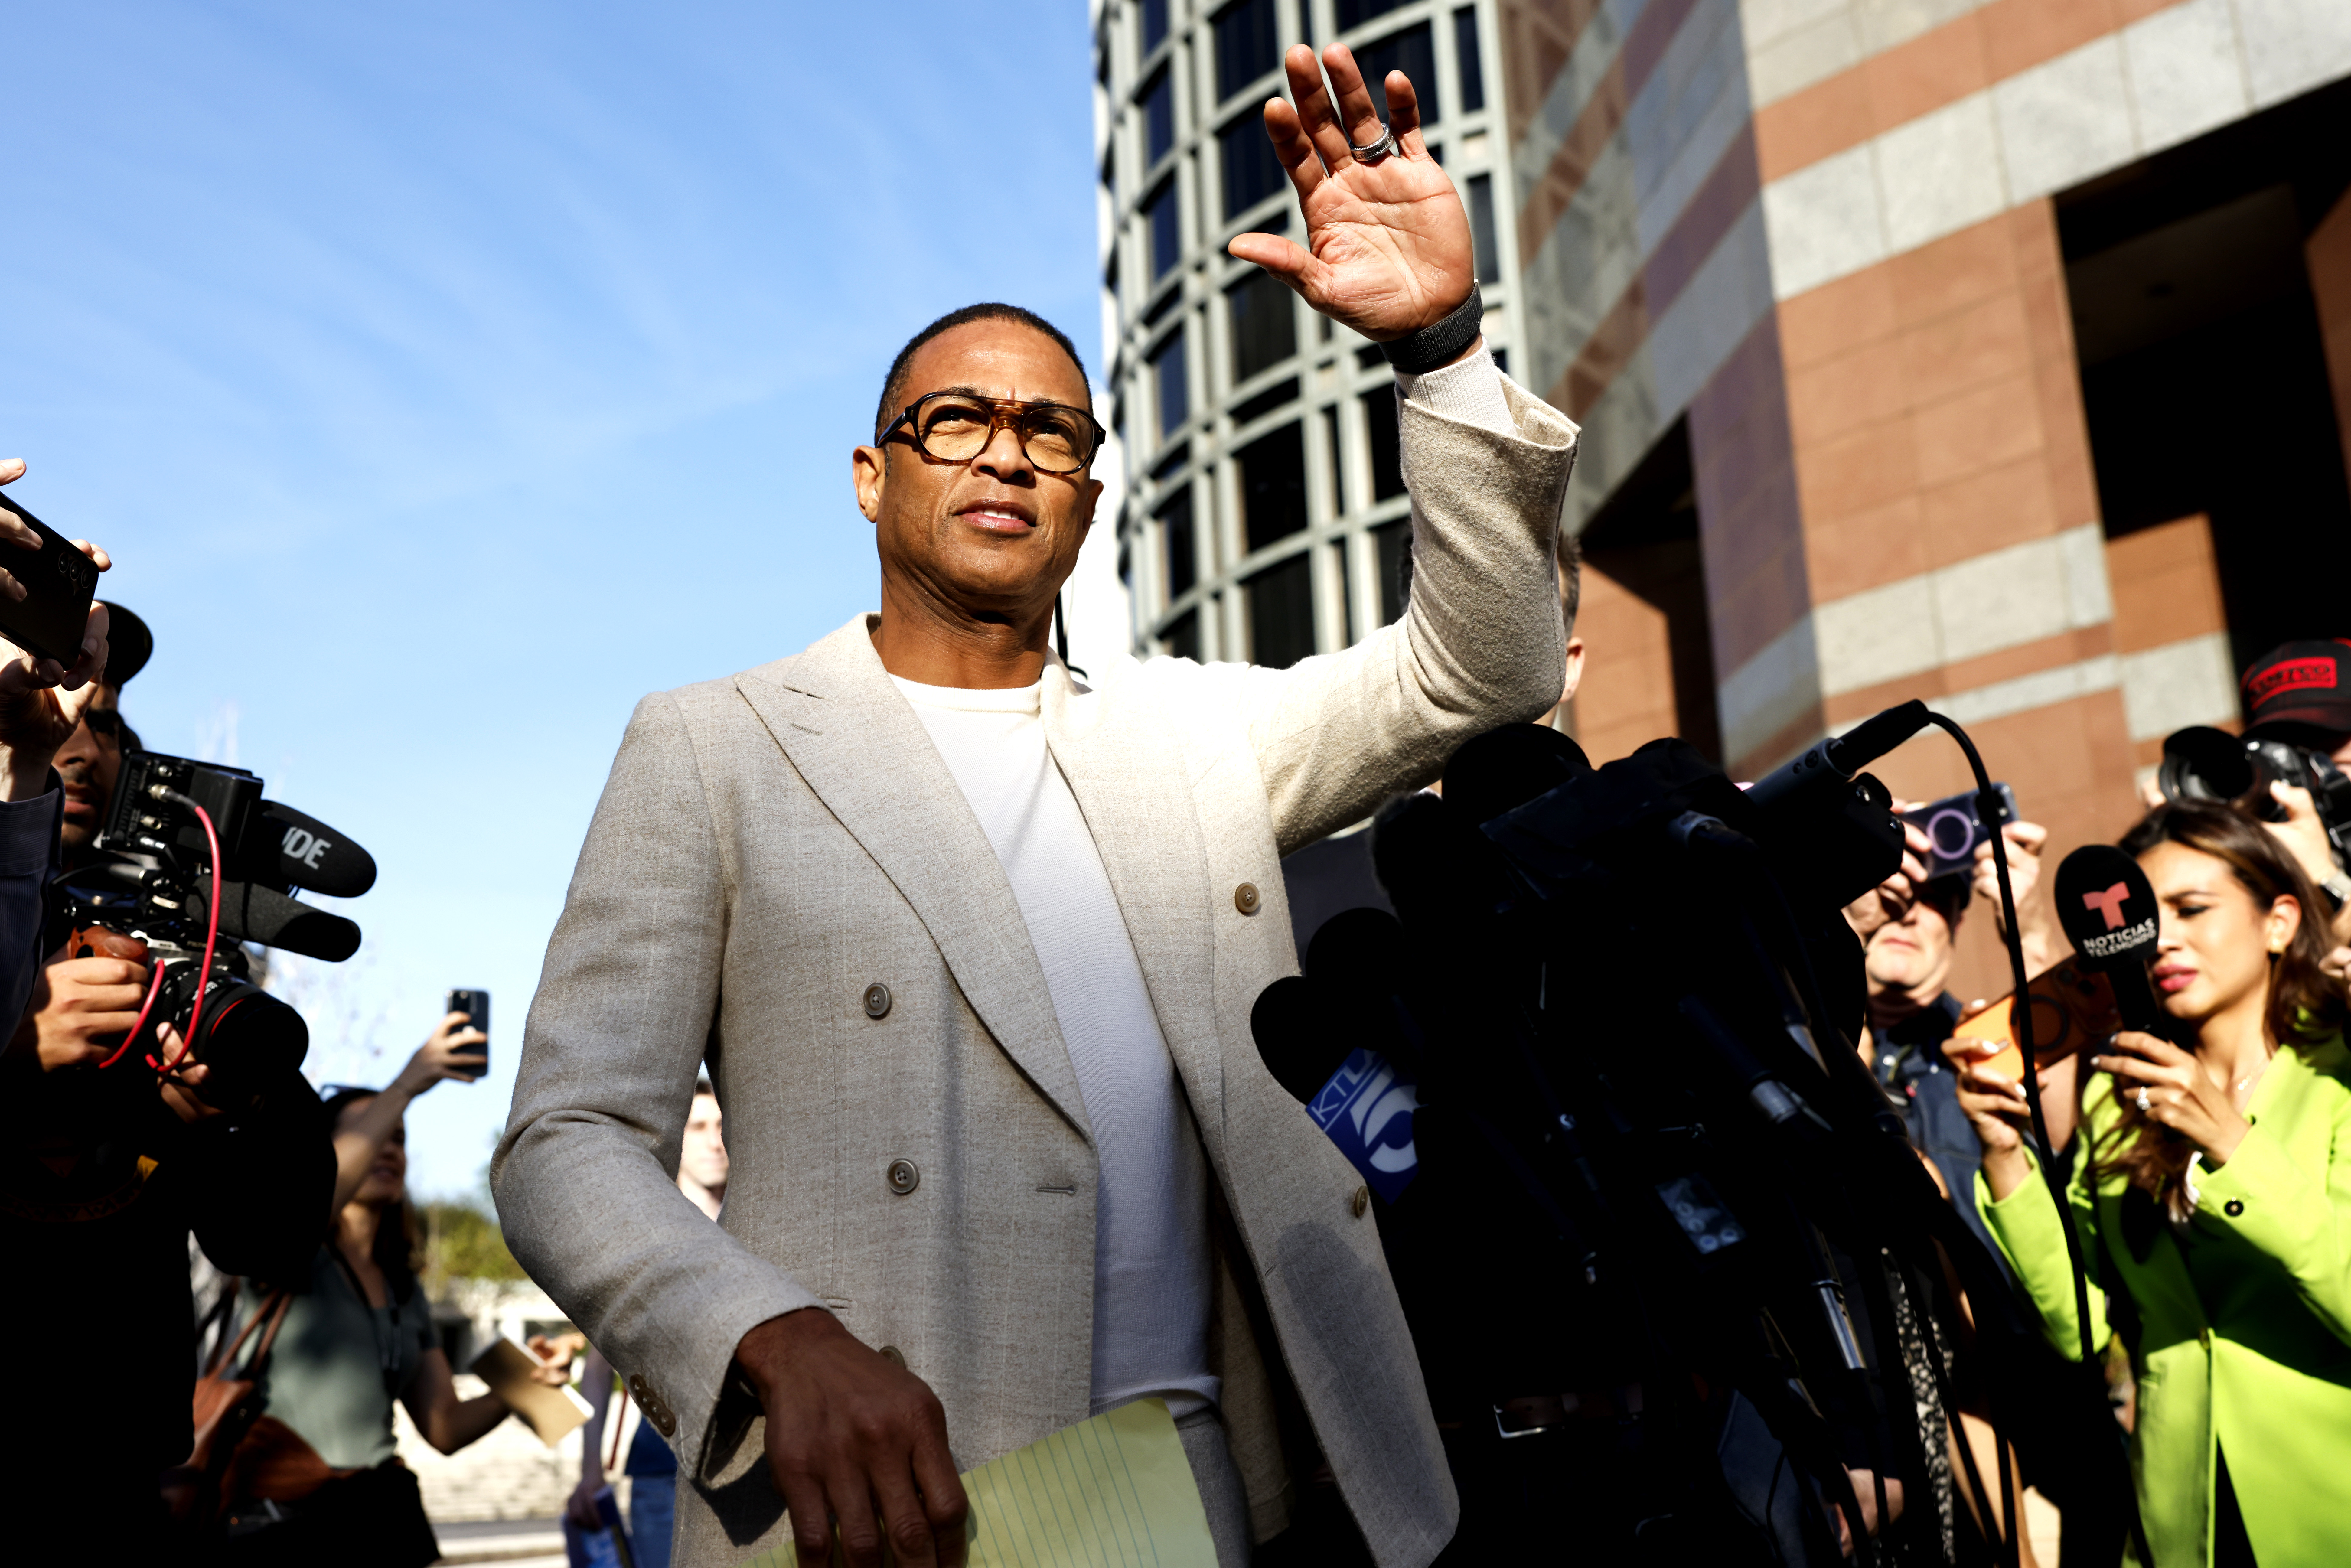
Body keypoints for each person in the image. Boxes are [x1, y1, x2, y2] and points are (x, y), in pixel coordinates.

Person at [496, 42, 1577, 1568]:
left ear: (1088, 494)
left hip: (1231, 1502)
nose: (1007, 446)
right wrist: (769, 1336)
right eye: (956, 420)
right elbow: (567, 1135)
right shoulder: (713, 746)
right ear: (872, 477)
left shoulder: (1195, 731)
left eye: (1051, 430)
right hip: (894, 1511)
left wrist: (1445, 352)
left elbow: (1486, 667)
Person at [1958, 800, 2351, 1567]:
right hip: (2178, 1529)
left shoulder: (2341, 1072)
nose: (2159, 935)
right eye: (2145, 912)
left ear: (2276, 922)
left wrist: (2232, 1145)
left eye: (2191, 907)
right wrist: (2005, 1156)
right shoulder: (2119, 1093)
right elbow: (2080, 1326)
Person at [217, 1017, 557, 1566]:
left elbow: (444, 1427)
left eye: (399, 1137)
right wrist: (406, 1087)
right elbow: (310, 1203)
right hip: (284, 1525)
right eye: (373, 1134)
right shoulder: (284, 1255)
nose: (390, 1148)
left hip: (384, 1516)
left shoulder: (405, 1286)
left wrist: (526, 1386)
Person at [569, 1081, 729, 1567]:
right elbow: (597, 1369)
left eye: (722, 1125)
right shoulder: (639, 1235)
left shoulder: (769, 1226)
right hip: (662, 1470)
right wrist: (589, 1467)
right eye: (698, 1126)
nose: (713, 1139)